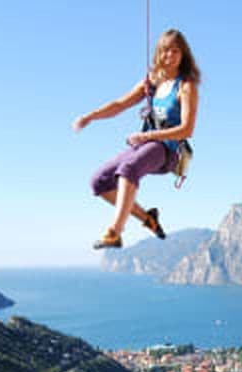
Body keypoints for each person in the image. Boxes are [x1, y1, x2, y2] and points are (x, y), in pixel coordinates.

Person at [72, 29, 200, 249]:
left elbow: (187, 129)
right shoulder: (152, 82)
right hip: (147, 145)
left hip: (168, 151)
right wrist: (90, 117)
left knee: (129, 168)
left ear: (183, 55)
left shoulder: (185, 86)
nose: (169, 55)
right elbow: (120, 104)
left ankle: (114, 232)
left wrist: (147, 135)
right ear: (158, 54)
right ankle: (148, 219)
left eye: (175, 51)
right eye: (165, 50)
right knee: (99, 182)